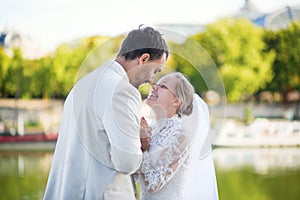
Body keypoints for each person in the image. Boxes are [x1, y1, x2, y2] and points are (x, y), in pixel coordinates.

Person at [43, 25, 169, 200]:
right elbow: (127, 161)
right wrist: (143, 140)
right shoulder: (123, 90)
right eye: (155, 71)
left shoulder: (81, 86)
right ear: (144, 59)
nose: (151, 79)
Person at [138, 72, 219, 200]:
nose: (154, 88)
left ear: (176, 101)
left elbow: (153, 185)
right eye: (156, 84)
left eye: (163, 87)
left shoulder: (180, 135)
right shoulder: (151, 130)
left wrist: (144, 149)